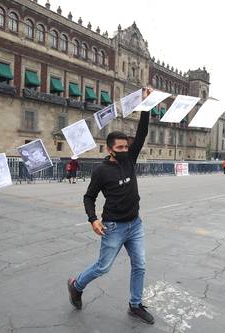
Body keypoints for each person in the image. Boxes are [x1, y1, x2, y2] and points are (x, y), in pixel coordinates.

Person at [67, 89, 154, 325]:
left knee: (140, 265)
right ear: (109, 149)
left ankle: (135, 305)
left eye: (127, 147)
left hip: (135, 224)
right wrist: (93, 219)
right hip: (113, 226)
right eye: (120, 149)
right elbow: (89, 197)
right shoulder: (101, 171)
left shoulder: (130, 159)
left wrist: (146, 105)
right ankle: (76, 285)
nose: (125, 152)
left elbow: (143, 132)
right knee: (103, 267)